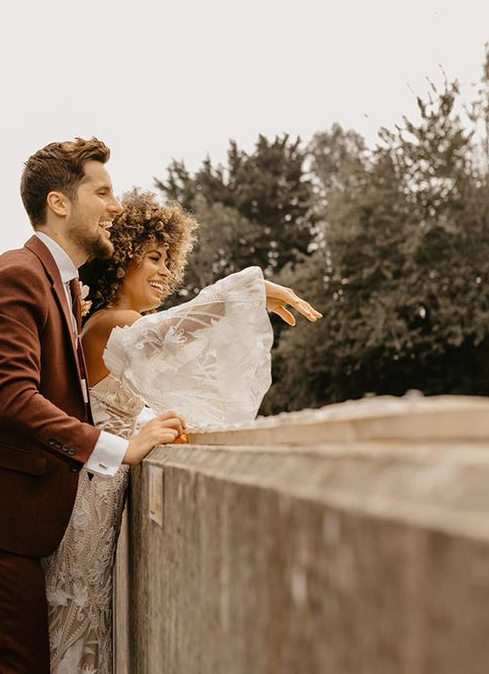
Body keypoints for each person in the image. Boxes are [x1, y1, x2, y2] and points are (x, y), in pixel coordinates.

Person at [0, 139, 187, 673]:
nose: (115, 206)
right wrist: (119, 450)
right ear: (60, 203)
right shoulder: (19, 273)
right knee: (19, 664)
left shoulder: (59, 283)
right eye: (103, 192)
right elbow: (12, 397)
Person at [42, 190, 322, 673]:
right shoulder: (112, 324)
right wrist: (253, 290)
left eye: (168, 260)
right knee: (76, 619)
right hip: (86, 500)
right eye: (153, 258)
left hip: (95, 492)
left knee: (84, 621)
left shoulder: (112, 328)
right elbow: (186, 324)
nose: (165, 272)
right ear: (123, 258)